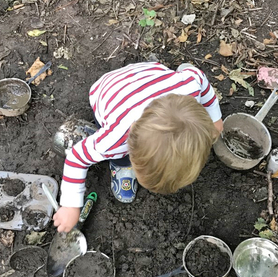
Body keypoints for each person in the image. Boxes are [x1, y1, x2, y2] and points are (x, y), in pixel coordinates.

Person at [54, 61, 223, 232]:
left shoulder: (190, 85)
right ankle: (121, 166)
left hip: (148, 74)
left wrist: (215, 120)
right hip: (106, 92)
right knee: (118, 156)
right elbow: (76, 158)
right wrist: (70, 206)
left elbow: (200, 77)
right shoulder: (113, 140)